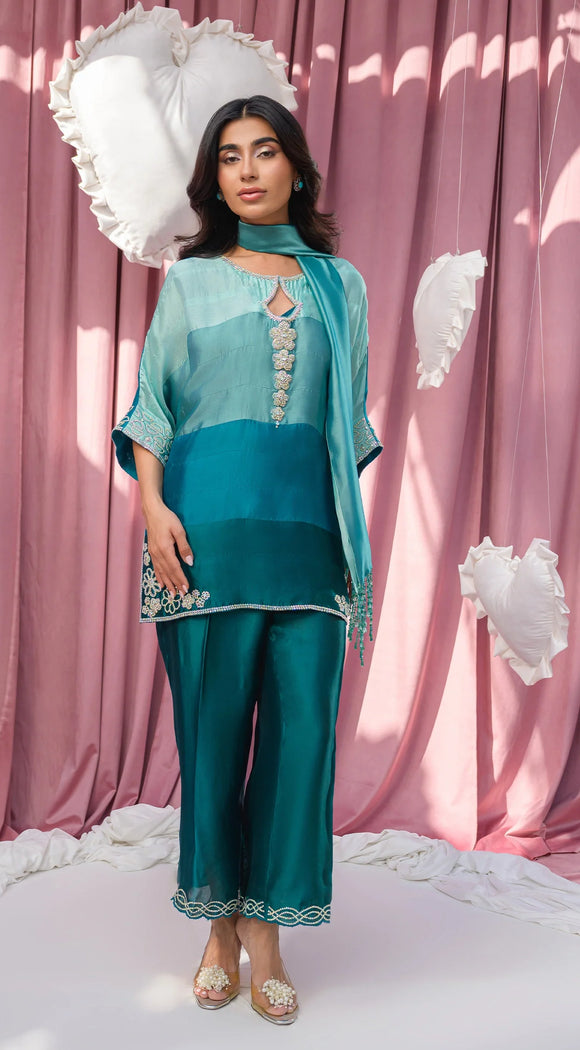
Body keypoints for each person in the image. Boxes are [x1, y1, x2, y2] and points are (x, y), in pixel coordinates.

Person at [113, 94, 381, 1025]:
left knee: (300, 746)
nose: (248, 171)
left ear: (296, 169)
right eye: (230, 158)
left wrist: (338, 533)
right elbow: (153, 404)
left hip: (308, 543)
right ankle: (218, 929)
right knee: (214, 741)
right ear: (215, 181)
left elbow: (346, 426)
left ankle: (269, 934)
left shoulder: (340, 286)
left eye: (265, 152)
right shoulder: (191, 282)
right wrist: (153, 509)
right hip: (205, 544)